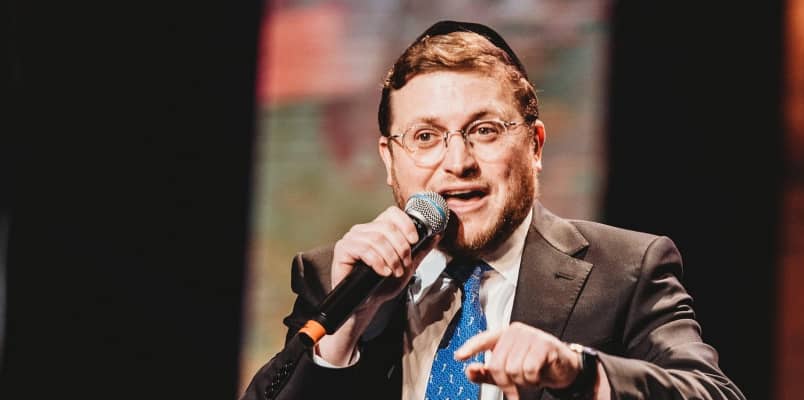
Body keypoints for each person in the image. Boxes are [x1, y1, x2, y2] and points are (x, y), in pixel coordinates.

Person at [242, 20, 745, 400]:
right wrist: (343, 334)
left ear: (535, 146)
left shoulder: (625, 269)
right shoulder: (337, 277)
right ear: (390, 160)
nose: (457, 162)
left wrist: (580, 372)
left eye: (484, 130)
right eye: (425, 136)